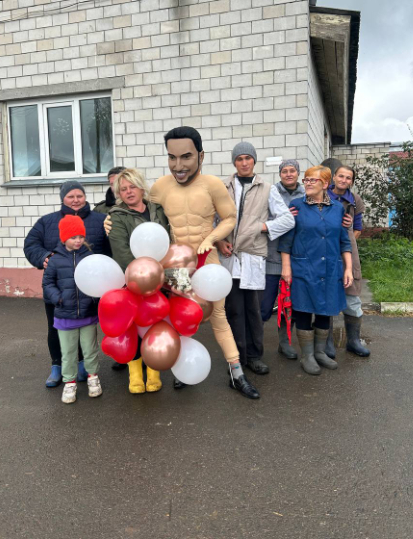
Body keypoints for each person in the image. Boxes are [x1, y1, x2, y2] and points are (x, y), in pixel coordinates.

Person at [106, 127, 260, 399]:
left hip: (206, 260)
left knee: (219, 317)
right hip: (174, 267)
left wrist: (213, 239)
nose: (178, 165)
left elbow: (229, 218)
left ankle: (237, 372)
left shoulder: (212, 184)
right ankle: (183, 370)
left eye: (186, 156)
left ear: (201, 155)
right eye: (172, 157)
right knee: (179, 318)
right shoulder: (161, 186)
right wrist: (106, 217)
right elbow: (138, 208)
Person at [216, 143, 295, 375]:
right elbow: (212, 220)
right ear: (234, 162)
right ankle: (236, 358)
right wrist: (219, 241)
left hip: (252, 257)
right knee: (233, 310)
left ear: (254, 161)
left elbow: (287, 220)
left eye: (248, 158)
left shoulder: (267, 188)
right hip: (229, 257)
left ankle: (254, 356)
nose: (244, 163)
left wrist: (263, 226)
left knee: (253, 311)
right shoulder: (222, 187)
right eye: (239, 158)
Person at [24, 181, 109, 388]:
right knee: (56, 328)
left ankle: (82, 364)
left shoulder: (101, 221)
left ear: (85, 197)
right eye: (71, 196)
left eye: (79, 195)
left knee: (86, 328)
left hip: (88, 291)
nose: (76, 200)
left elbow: (110, 249)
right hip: (59, 289)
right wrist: (43, 257)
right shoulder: (47, 221)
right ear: (63, 198)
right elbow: (31, 244)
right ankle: (57, 365)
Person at [278, 165, 353, 375]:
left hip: (330, 268)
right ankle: (308, 356)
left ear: (325, 184)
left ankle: (320, 352)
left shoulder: (337, 208)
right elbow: (286, 241)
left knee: (325, 310)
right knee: (303, 310)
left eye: (313, 180)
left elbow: (344, 241)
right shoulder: (296, 206)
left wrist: (348, 268)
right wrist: (286, 268)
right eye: (306, 180)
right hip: (303, 267)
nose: (308, 183)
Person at [108, 168, 170, 393]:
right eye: (123, 189)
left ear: (141, 187)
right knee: (133, 328)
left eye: (132, 186)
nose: (128, 192)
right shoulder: (117, 216)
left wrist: (162, 273)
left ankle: (153, 371)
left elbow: (168, 241)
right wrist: (143, 276)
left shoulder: (157, 210)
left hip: (161, 277)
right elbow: (121, 251)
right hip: (134, 281)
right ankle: (135, 376)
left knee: (156, 324)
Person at [42, 216, 102, 404]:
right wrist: (57, 298)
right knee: (68, 353)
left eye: (81, 236)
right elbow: (48, 283)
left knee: (90, 350)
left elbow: (98, 279)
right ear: (64, 238)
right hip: (65, 315)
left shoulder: (90, 257)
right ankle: (69, 383)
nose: (78, 240)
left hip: (87, 314)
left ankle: (93, 378)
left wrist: (94, 298)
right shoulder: (55, 260)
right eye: (73, 237)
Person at [260, 159, 305, 359]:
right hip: (271, 257)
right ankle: (255, 345)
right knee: (264, 305)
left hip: (295, 259)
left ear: (298, 173)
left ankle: (284, 342)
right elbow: (260, 221)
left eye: (292, 170)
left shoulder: (305, 194)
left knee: (289, 304)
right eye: (284, 171)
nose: (288, 174)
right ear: (280, 174)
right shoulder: (270, 192)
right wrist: (284, 218)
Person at [326, 165, 370, 357]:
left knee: (352, 297)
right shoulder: (322, 195)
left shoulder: (355, 200)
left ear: (351, 181)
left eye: (348, 177)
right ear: (334, 177)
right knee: (326, 296)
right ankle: (326, 342)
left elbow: (358, 228)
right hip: (324, 251)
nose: (344, 180)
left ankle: (353, 341)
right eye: (341, 176)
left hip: (348, 255)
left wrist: (346, 239)